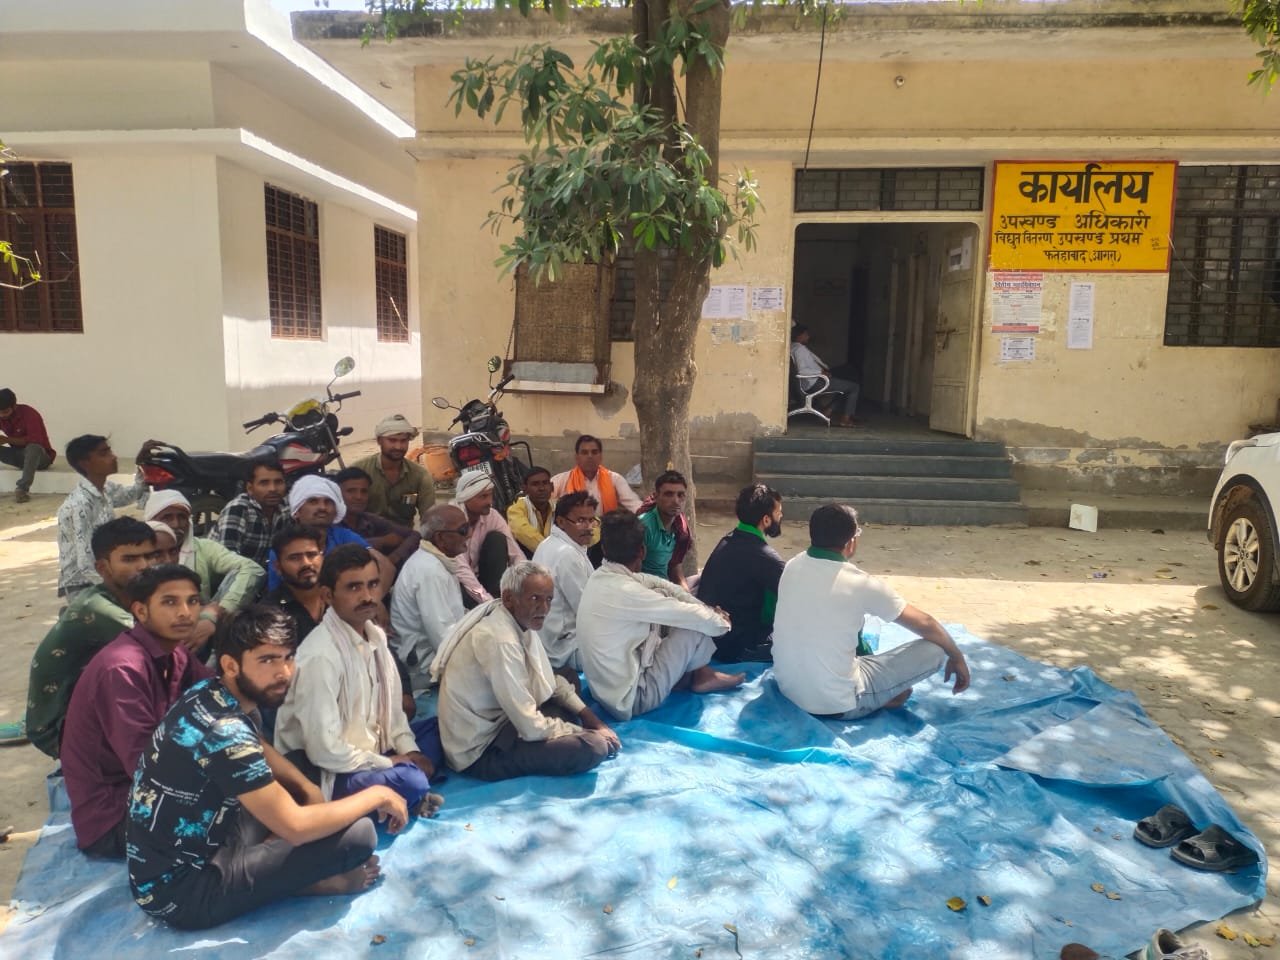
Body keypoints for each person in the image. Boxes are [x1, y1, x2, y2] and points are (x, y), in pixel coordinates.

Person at [127, 605, 406, 930]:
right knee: (359, 835)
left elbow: (256, 743)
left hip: (199, 842)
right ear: (231, 665)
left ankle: (276, 871)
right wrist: (378, 794)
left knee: (302, 767)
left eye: (288, 657)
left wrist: (309, 790)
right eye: (267, 660)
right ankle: (305, 882)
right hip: (183, 893)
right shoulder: (226, 732)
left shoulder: (207, 692)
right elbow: (295, 827)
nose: (284, 673)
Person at [274, 545, 443, 815]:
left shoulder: (375, 637)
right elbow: (323, 751)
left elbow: (396, 717)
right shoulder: (320, 656)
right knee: (411, 780)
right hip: (329, 770)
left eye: (373, 585)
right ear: (328, 595)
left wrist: (410, 752)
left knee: (443, 728)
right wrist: (391, 764)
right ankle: (404, 791)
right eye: (354, 588)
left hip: (375, 748)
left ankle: (404, 789)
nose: (367, 596)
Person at [61, 565, 214, 858]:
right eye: (170, 602)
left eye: (193, 601)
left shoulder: (174, 651)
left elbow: (218, 695)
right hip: (114, 817)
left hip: (150, 787)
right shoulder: (122, 668)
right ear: (141, 612)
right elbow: (147, 767)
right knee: (238, 816)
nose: (185, 612)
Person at [772, 504, 972, 719]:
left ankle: (880, 692)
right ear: (851, 542)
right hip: (835, 703)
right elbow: (925, 623)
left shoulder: (793, 565)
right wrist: (957, 657)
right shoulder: (859, 583)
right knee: (935, 648)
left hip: (789, 687)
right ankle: (876, 698)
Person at [433, 562, 618, 780]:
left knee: (567, 678)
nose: (545, 608)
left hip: (509, 720)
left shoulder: (517, 621)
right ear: (510, 599)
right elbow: (530, 727)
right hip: (482, 751)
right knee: (594, 747)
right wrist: (583, 732)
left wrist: (593, 720)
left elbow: (550, 681)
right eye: (535, 599)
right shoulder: (500, 640)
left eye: (549, 599)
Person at [575, 510, 745, 722]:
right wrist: (722, 621)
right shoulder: (628, 591)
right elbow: (703, 621)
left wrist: (703, 606)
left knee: (674, 603)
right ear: (643, 551)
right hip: (633, 700)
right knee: (693, 625)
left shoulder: (600, 578)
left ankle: (690, 675)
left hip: (604, 694)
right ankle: (701, 675)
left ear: (603, 549)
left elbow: (658, 584)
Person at [26, 518, 159, 758]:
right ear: (102, 568)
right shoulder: (96, 608)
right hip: (57, 728)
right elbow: (164, 643)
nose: (144, 566)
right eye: (130, 559)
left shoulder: (131, 597)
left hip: (86, 707)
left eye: (150, 556)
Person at [145, 491, 266, 654]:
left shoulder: (202, 547)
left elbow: (252, 569)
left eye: (182, 517)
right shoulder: (139, 552)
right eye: (167, 517)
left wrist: (216, 614)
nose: (176, 524)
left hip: (199, 631)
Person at [56, 433, 156, 598]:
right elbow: (85, 563)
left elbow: (133, 493)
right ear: (85, 464)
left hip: (106, 575)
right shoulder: (79, 505)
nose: (114, 457)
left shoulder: (105, 489)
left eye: (110, 451)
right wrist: (117, 590)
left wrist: (141, 464)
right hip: (84, 585)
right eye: (104, 454)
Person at [696, 484, 786, 663]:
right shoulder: (765, 557)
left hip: (711, 639)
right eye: (779, 513)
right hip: (736, 646)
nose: (781, 516)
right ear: (766, 520)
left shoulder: (729, 539)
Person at [390, 504, 470, 683]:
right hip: (423, 667)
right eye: (463, 530)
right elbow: (442, 637)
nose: (469, 534)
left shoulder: (436, 561)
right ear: (440, 538)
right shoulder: (429, 571)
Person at [264, 475, 369, 593]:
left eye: (328, 502)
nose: (322, 507)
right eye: (313, 501)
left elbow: (381, 564)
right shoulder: (284, 546)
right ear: (297, 511)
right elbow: (275, 593)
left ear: (335, 510)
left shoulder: (344, 536)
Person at [530, 491, 597, 672]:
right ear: (560, 522)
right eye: (581, 520)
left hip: (549, 645)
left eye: (592, 520)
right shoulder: (567, 554)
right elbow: (589, 611)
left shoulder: (550, 544)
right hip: (566, 649)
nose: (588, 527)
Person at [352, 414, 436, 528]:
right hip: (366, 539)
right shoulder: (359, 470)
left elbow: (429, 518)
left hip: (405, 539)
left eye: (403, 441)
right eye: (392, 440)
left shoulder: (420, 475)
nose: (398, 446)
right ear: (379, 441)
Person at [453, 470, 523, 604]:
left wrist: (526, 583)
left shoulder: (492, 515)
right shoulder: (452, 519)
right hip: (458, 583)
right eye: (483, 497)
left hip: (480, 577)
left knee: (497, 539)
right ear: (466, 498)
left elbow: (515, 553)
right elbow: (461, 570)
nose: (489, 501)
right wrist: (487, 602)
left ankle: (497, 597)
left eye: (490, 495)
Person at [336, 466, 421, 571]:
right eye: (351, 491)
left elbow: (414, 535)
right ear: (337, 494)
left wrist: (392, 559)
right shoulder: (330, 523)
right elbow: (339, 551)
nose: (359, 496)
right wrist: (381, 541)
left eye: (364, 491)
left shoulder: (369, 519)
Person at [210, 461, 288, 567]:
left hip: (257, 575)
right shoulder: (238, 509)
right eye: (264, 483)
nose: (273, 489)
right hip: (221, 576)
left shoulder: (285, 509)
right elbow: (227, 559)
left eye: (278, 482)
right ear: (250, 488)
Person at [550, 435, 642, 516]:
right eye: (584, 452)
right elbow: (546, 505)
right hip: (571, 532)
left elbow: (634, 504)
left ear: (601, 456)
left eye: (594, 452)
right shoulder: (561, 480)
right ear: (577, 457)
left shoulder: (614, 479)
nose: (590, 456)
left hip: (606, 531)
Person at [266, 524, 327, 644]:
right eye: (294, 558)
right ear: (278, 567)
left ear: (322, 557)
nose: (306, 563)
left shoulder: (339, 599)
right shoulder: (270, 613)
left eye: (312, 555)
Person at [790, 324, 860, 427]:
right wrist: (821, 373)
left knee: (849, 373)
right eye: (806, 334)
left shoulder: (795, 347)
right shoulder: (799, 350)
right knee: (854, 387)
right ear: (799, 336)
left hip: (816, 377)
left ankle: (828, 410)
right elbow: (802, 371)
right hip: (816, 382)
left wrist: (823, 370)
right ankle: (845, 419)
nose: (808, 337)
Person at [636, 470, 694, 587]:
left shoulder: (679, 527)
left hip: (667, 585)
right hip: (647, 589)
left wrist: (686, 595)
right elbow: (631, 571)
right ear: (656, 497)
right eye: (669, 494)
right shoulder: (643, 526)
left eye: (680, 495)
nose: (676, 501)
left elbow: (674, 567)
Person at [0, 388, 55, 503]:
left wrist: (6, 439)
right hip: (19, 456)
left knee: (33, 447)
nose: (2, 416)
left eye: (5, 412)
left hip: (41, 458)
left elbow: (35, 440)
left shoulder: (29, 414)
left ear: (14, 406)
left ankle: (22, 489)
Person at [506, 466, 555, 556]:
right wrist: (552, 552)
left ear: (552, 487)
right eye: (535, 484)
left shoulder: (558, 507)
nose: (541, 488)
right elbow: (523, 533)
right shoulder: (516, 509)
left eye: (545, 483)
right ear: (525, 489)